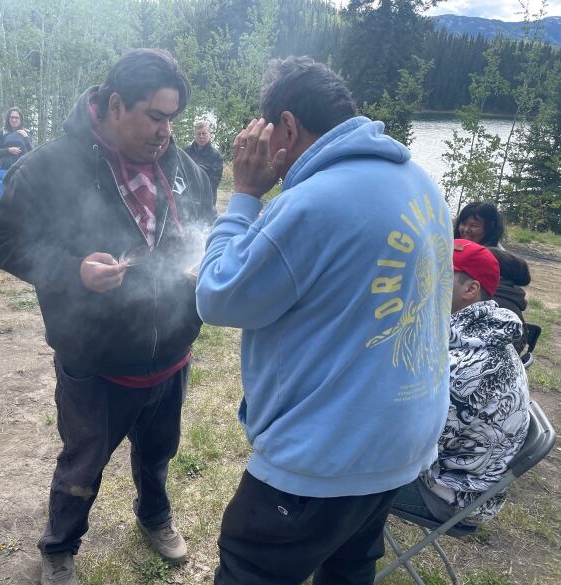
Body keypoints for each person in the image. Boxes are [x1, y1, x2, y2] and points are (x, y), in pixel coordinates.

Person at [195, 56, 453, 585]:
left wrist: (244, 196)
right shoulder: (420, 182)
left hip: (326, 456)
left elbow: (218, 296)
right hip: (398, 445)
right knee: (349, 567)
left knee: (252, 567)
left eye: (266, 134)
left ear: (287, 125)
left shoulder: (315, 201)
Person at [0, 49, 215, 585]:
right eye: (154, 117)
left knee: (158, 455)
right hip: (95, 360)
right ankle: (59, 546)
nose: (165, 132)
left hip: (170, 354)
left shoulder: (185, 172)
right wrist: (70, 271)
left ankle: (154, 517)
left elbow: (212, 231)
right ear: (115, 104)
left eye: (173, 118)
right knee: (82, 467)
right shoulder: (50, 166)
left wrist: (207, 265)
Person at [392, 239, 530, 525]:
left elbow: (407, 448)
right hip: (451, 474)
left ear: (470, 290)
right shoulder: (476, 334)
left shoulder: (472, 365)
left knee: (337, 476)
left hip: (449, 495)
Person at [455, 201, 532, 352]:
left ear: (489, 228)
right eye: (463, 224)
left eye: (473, 225)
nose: (465, 229)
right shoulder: (460, 250)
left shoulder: (491, 259)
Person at [184, 120, 223, 207]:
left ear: (209, 134)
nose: (201, 136)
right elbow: (180, 174)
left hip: (207, 199)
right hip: (187, 198)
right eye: (198, 134)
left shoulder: (216, 156)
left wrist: (202, 197)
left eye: (204, 133)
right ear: (194, 135)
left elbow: (215, 182)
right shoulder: (185, 152)